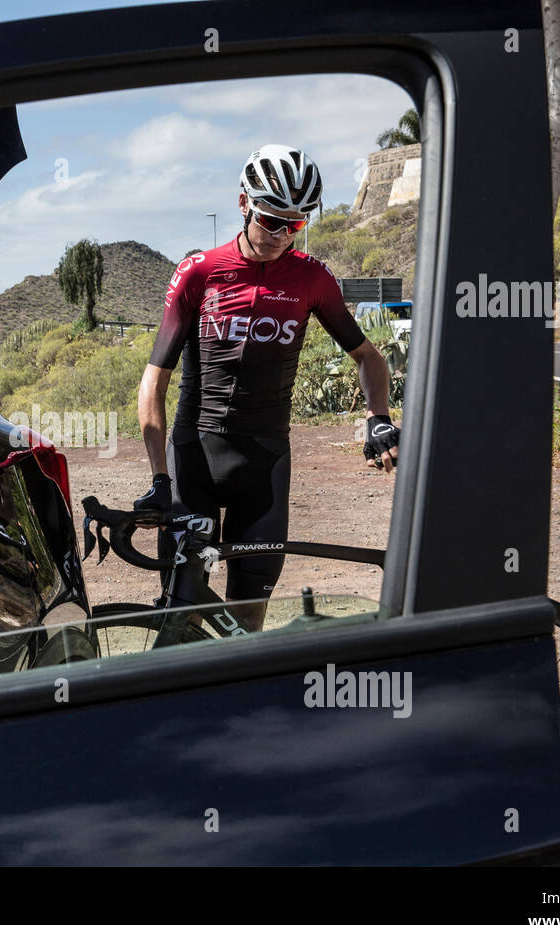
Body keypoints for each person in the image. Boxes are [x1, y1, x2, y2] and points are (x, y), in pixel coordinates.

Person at [134, 144, 399, 633]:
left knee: (247, 620)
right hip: (196, 455)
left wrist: (377, 416)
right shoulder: (200, 272)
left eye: (295, 224)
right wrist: (158, 479)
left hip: (265, 462)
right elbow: (154, 382)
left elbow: (369, 357)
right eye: (270, 220)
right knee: (181, 613)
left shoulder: (311, 278)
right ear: (243, 205)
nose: (281, 235)